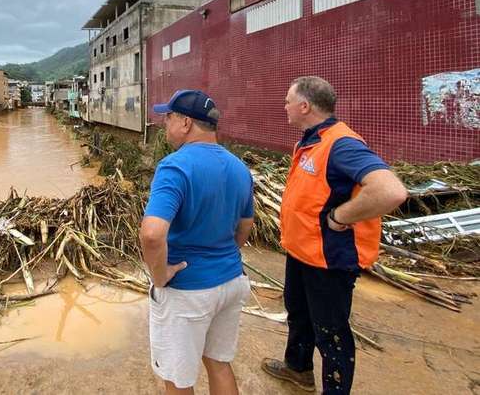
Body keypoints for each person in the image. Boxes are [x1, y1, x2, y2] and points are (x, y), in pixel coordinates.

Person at [261, 77, 408, 393]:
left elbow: (391, 191)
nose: (284, 106)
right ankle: (297, 368)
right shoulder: (310, 140)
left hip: (328, 259)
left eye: (288, 100)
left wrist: (341, 217)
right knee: (299, 314)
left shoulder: (342, 143)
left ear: (305, 106)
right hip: (302, 251)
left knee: (331, 331)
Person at [140, 89, 254, 395]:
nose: (164, 123)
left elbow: (151, 234)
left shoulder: (175, 166)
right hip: (231, 281)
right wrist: (224, 254)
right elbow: (245, 227)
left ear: (186, 123)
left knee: (178, 377)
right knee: (218, 363)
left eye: (169, 117)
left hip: (189, 291)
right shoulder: (239, 168)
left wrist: (160, 274)